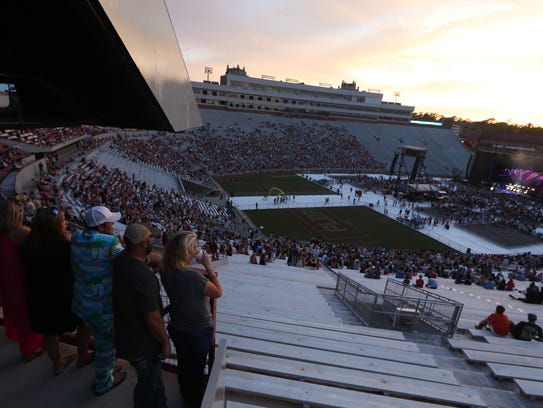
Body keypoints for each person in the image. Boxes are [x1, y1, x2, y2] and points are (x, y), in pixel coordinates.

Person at [22, 207, 92, 374]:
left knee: (49, 330)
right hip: (63, 296)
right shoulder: (63, 246)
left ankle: (57, 363)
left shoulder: (29, 243)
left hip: (38, 295)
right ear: (54, 226)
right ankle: (83, 356)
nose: (66, 223)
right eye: (62, 221)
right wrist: (68, 243)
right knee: (85, 322)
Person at [160, 231, 223, 408]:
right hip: (198, 330)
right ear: (186, 251)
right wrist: (208, 265)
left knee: (183, 362)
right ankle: (193, 399)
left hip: (176, 326)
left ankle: (185, 390)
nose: (198, 250)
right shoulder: (193, 277)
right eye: (195, 247)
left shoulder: (166, 270)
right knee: (196, 368)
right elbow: (218, 292)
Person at [113, 224, 170, 407]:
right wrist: (165, 342)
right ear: (145, 243)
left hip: (125, 334)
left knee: (151, 383)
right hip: (143, 344)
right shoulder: (144, 277)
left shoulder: (121, 259)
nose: (154, 240)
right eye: (151, 238)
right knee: (149, 387)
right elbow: (152, 319)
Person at [71, 205, 126, 395]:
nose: (113, 225)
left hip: (80, 301)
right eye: (110, 222)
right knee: (106, 345)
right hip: (101, 306)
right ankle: (104, 382)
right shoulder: (110, 243)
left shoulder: (77, 236)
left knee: (85, 329)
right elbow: (128, 262)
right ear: (101, 228)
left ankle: (82, 358)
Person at [0, 198, 44, 361]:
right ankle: (29, 349)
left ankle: (21, 340)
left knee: (14, 312)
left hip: (5, 280)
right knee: (27, 315)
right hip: (21, 280)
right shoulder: (22, 233)